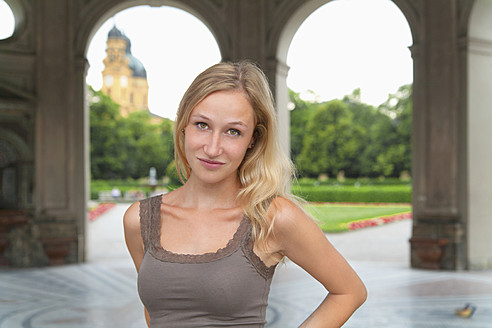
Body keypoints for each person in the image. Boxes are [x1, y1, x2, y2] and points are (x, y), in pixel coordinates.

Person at [123, 61, 367, 328]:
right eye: (202, 125)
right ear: (183, 125)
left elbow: (349, 291)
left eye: (233, 131)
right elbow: (156, 312)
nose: (213, 148)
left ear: (253, 139)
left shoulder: (271, 217)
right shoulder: (139, 220)